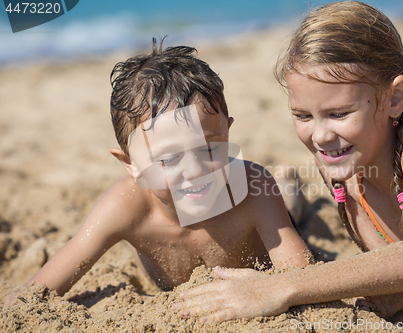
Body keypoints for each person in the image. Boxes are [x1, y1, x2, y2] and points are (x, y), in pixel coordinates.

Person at [172, 1, 403, 323]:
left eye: (339, 114)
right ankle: (291, 192)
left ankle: (291, 192)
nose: (321, 136)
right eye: (303, 115)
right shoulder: (340, 166)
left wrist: (281, 285)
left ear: (395, 98)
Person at [4, 41, 313, 306]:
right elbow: (35, 293)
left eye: (209, 149)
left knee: (291, 211)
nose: (194, 171)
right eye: (168, 159)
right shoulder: (125, 207)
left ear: (228, 135)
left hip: (272, 213)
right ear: (131, 164)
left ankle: (289, 186)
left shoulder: (252, 189)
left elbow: (300, 276)